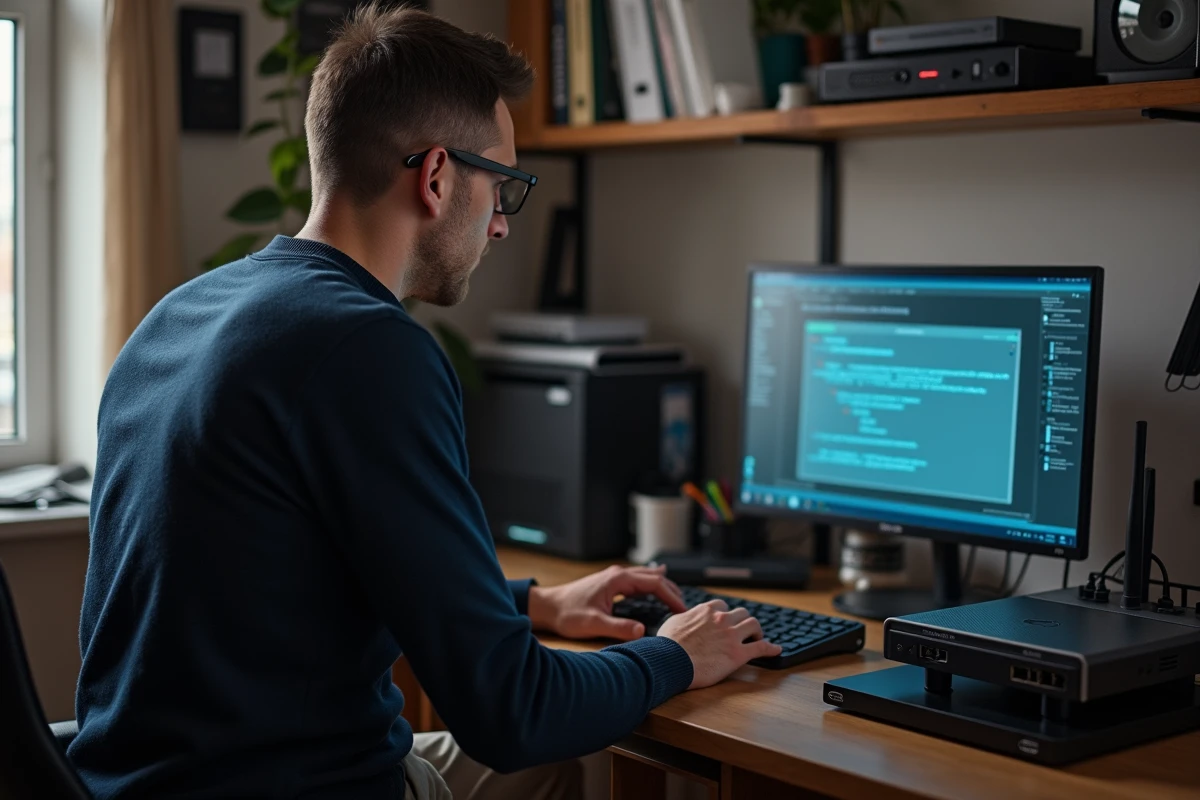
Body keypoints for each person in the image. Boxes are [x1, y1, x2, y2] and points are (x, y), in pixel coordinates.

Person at [69, 6, 780, 799]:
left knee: (547, 770)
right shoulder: (368, 348)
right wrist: (676, 653)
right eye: (501, 186)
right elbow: (514, 713)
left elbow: (275, 584)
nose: (501, 226)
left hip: (128, 785)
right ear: (437, 176)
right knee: (555, 752)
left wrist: (532, 603)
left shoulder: (179, 314)